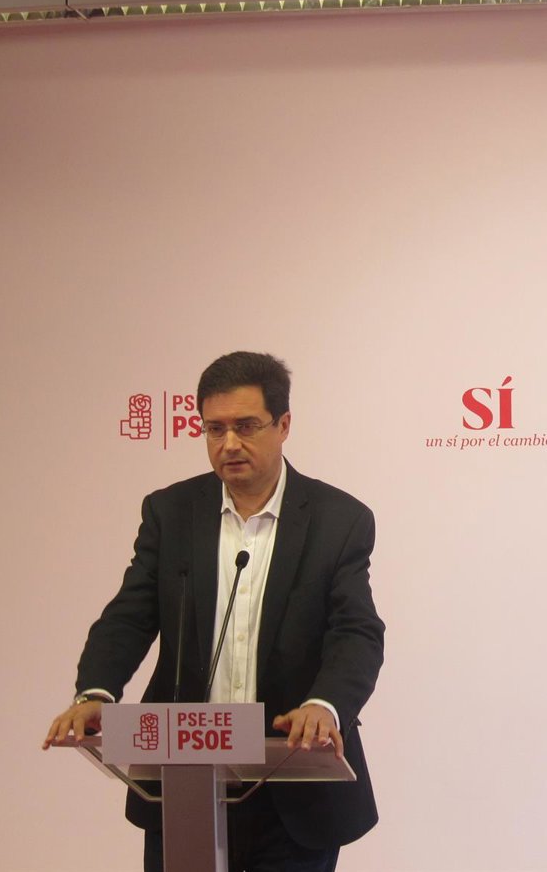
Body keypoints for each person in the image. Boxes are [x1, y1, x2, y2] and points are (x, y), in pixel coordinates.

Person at [43, 351, 385, 872]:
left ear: (283, 425)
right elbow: (130, 615)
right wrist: (96, 692)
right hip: (185, 779)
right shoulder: (171, 512)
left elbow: (356, 631)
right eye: (214, 428)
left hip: (293, 784)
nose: (229, 444)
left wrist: (324, 705)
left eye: (246, 426)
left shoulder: (339, 519)